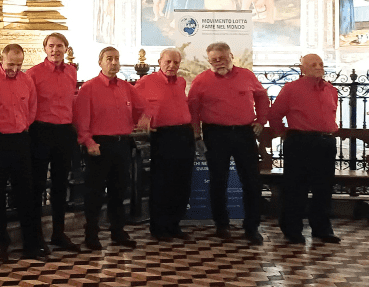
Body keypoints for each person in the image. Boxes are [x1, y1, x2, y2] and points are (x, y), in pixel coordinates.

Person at [188, 42, 269, 245]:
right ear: (209, 61)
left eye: (222, 58)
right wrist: (197, 135)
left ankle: (252, 227)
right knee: (218, 181)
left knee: (251, 181)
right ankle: (221, 224)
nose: (218, 62)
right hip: (215, 134)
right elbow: (193, 109)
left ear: (231, 56)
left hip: (244, 133)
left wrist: (261, 120)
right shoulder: (201, 80)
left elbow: (262, 97)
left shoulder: (247, 76)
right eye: (214, 59)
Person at [75, 47, 149, 250]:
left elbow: (142, 108)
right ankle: (91, 234)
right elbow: (82, 121)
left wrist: (144, 118)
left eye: (117, 59)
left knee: (119, 191)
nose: (114, 62)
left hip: (122, 144)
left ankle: (118, 231)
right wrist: (88, 142)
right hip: (99, 145)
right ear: (100, 62)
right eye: (109, 59)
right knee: (95, 193)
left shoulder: (126, 87)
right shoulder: (89, 88)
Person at [0, 44, 42, 262]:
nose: (14, 69)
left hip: (20, 139)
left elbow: (32, 108)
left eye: (19, 64)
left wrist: (23, 125)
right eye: (11, 64)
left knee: (26, 193)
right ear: (0, 60)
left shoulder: (26, 80)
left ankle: (31, 243)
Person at [268, 54, 341, 244]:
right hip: (300, 142)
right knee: (296, 188)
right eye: (313, 64)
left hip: (326, 142)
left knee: (323, 188)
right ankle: (292, 230)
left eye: (321, 64)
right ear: (303, 69)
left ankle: (322, 229)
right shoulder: (291, 89)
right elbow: (275, 114)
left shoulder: (331, 90)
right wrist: (283, 133)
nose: (318, 67)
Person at [25, 33, 81, 253]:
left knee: (60, 186)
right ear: (45, 49)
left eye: (59, 46)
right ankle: (36, 237)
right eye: (51, 46)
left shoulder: (71, 71)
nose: (55, 50)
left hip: (64, 132)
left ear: (66, 49)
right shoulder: (33, 73)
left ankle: (58, 233)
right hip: (40, 131)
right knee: (37, 186)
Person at [134, 48, 195, 241]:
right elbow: (132, 104)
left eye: (176, 63)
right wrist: (143, 120)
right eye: (168, 62)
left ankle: (174, 224)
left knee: (182, 182)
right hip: (163, 135)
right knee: (162, 183)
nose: (172, 66)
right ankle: (159, 227)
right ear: (160, 61)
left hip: (184, 134)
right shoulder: (146, 82)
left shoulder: (181, 81)